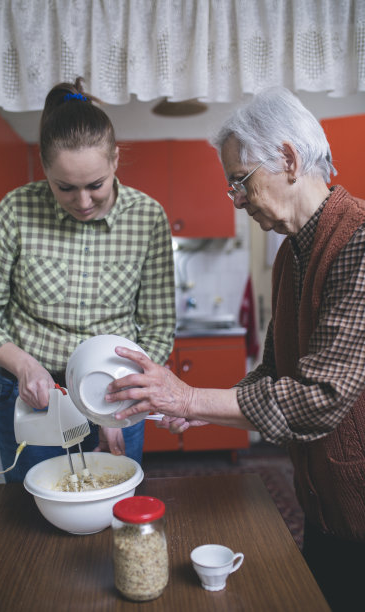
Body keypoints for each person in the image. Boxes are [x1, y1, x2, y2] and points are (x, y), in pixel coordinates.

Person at [104, 87, 365, 611]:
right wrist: (204, 412)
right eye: (232, 190)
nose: (238, 200)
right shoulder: (290, 256)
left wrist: (190, 400)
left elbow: (319, 394)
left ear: (288, 160)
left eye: (240, 183)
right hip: (321, 505)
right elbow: (272, 372)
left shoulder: (358, 242)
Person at [0, 77, 175, 481]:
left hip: (116, 394)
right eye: (65, 188)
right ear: (45, 169)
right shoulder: (16, 211)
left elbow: (159, 329)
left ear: (114, 160)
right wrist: (24, 366)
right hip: (32, 395)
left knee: (112, 510)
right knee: (31, 513)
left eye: (95, 185)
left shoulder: (148, 218)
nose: (83, 202)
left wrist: (117, 404)